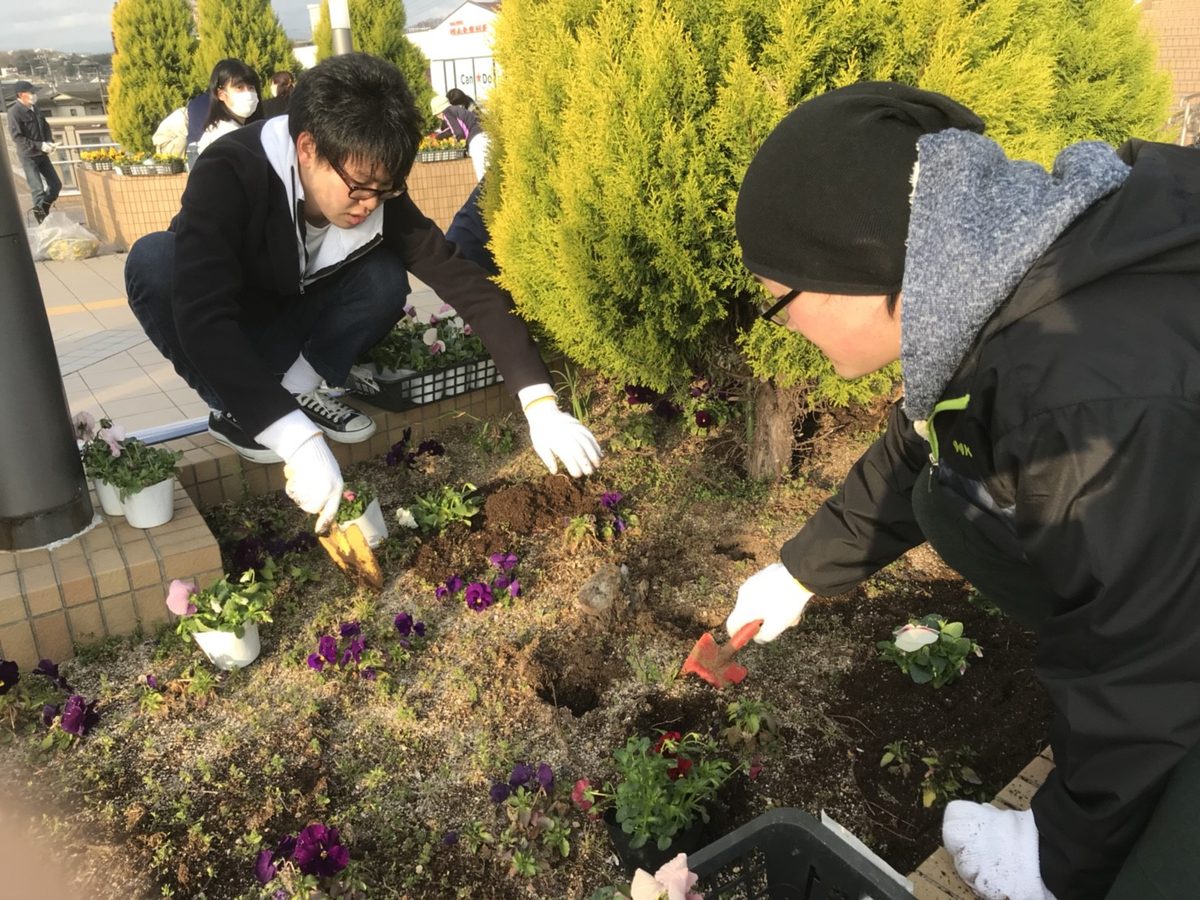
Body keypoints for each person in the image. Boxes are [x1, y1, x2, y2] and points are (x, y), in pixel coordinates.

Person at [725, 81, 1200, 900]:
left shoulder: (1083, 397)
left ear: (859, 266)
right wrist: (802, 571)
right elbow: (927, 434)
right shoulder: (1008, 280)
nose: (784, 327)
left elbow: (1147, 653)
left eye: (781, 304)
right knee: (949, 493)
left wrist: (1056, 853)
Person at [124, 53, 600, 534]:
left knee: (384, 277)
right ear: (307, 147)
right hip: (228, 332)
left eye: (385, 190)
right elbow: (203, 316)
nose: (368, 205)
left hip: (293, 326)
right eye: (359, 188)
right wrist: (298, 441)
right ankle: (236, 409)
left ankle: (298, 390)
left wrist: (541, 405)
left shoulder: (373, 187)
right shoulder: (230, 169)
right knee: (154, 260)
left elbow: (465, 284)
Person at [7, 80, 61, 223]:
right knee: (37, 188)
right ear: (21, 95)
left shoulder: (35, 109)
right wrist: (39, 145)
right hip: (28, 156)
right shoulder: (14, 112)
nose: (34, 95)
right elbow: (17, 137)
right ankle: (42, 220)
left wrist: (49, 142)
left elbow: (45, 126)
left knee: (56, 184)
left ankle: (43, 207)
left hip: (42, 154)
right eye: (31, 92)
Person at [195, 58, 263, 157]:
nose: (248, 93)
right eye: (239, 87)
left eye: (251, 88)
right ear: (221, 94)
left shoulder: (240, 128)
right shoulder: (224, 134)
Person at [431, 93, 488, 181]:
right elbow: (451, 129)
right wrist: (438, 137)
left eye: (437, 115)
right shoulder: (455, 110)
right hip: (484, 136)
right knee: (487, 172)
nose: (439, 118)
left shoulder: (447, 112)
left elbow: (458, 133)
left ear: (439, 112)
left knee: (483, 178)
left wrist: (461, 146)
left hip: (476, 141)